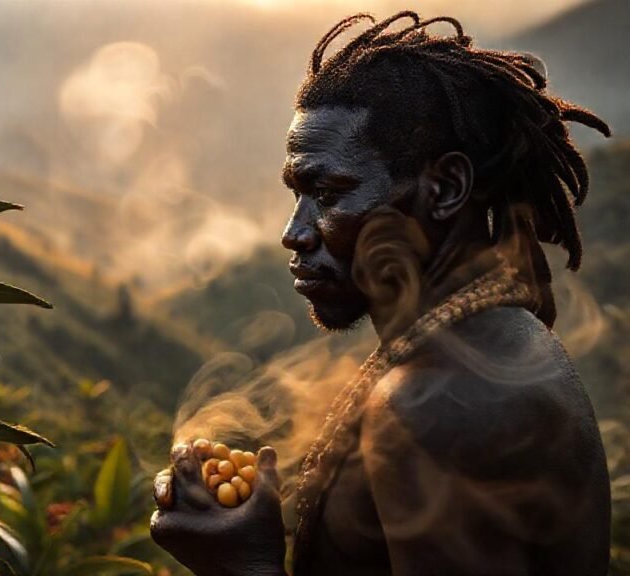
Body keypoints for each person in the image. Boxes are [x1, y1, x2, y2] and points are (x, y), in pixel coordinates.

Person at [150, 12, 612, 576]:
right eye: (299, 193)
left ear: (444, 188)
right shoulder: (470, 349)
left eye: (327, 192)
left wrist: (246, 567)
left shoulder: (445, 408)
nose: (293, 233)